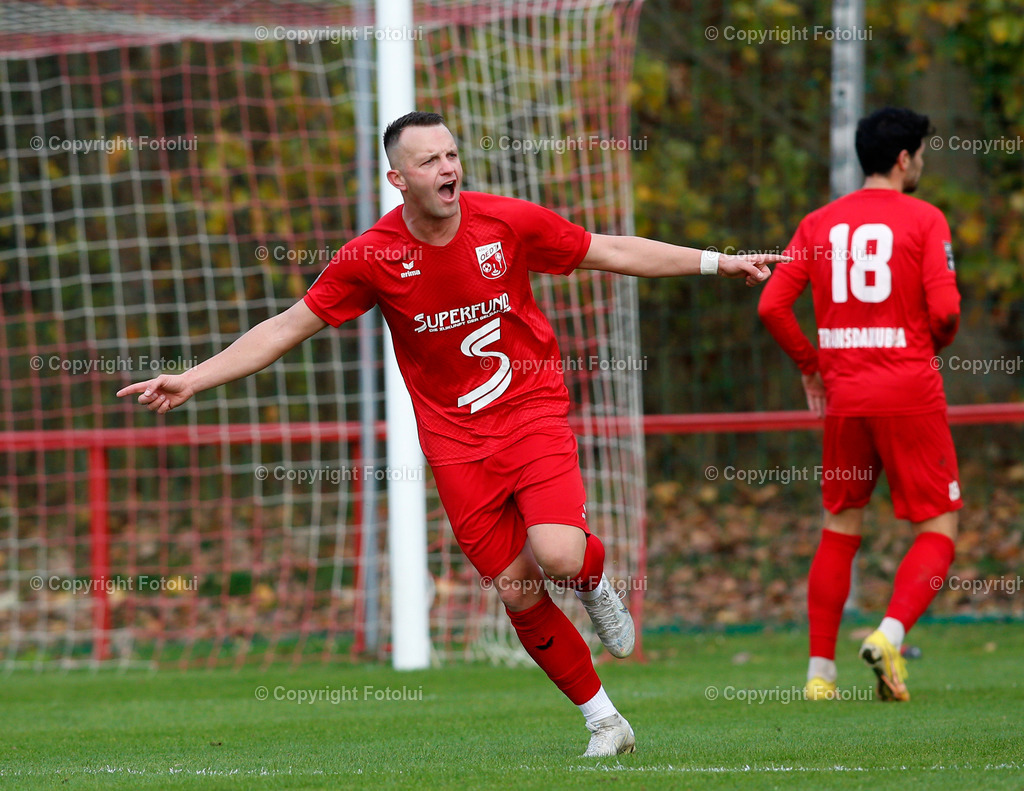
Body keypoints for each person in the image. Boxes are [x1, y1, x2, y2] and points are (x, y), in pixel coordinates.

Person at [119, 111, 783, 754]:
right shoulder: (372, 256)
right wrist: (193, 379)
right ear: (398, 179)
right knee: (517, 589)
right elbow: (287, 327)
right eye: (430, 160)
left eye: (452, 154)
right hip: (456, 446)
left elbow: (606, 249)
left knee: (557, 554)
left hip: (531, 413)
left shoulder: (506, 222)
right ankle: (605, 722)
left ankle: (593, 583)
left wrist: (717, 263)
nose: (448, 168)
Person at [757, 107, 961, 702]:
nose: (921, 162)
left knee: (841, 524)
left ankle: (820, 675)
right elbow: (946, 311)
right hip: (909, 392)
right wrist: (927, 348)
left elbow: (771, 305)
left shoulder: (818, 224)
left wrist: (812, 367)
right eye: (920, 153)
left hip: (845, 395)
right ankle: (888, 635)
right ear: (903, 159)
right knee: (939, 526)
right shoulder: (925, 218)